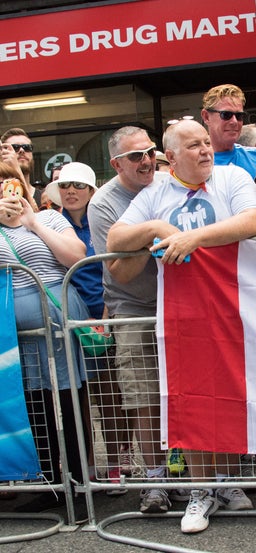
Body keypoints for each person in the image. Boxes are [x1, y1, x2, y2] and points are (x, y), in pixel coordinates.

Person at [106, 119, 256, 534]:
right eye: (193, 146)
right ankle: (199, 490)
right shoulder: (155, 192)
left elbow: (253, 220)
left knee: (230, 394)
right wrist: (157, 227)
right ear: (171, 157)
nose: (205, 150)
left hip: (235, 304)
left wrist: (195, 239)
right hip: (182, 312)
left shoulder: (232, 176)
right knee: (189, 399)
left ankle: (226, 483)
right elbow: (115, 239)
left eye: (205, 143)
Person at [87, 127, 172, 514]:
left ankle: (200, 477)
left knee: (189, 390)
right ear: (116, 164)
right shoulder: (104, 203)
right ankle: (154, 482)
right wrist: (153, 232)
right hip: (134, 306)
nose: (147, 161)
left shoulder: (170, 182)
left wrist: (136, 239)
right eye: (136, 156)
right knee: (143, 397)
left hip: (182, 300)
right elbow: (119, 272)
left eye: (150, 152)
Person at [0, 163, 90, 517]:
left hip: (56, 322)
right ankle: (51, 484)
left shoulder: (50, 219)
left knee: (68, 401)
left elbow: (76, 257)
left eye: (11, 182)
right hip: (12, 335)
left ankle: (80, 485)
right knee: (34, 405)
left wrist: (33, 223)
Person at [46, 162, 131, 493]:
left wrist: (107, 314)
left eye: (78, 186)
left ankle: (118, 462)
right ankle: (90, 466)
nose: (70, 191)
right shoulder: (54, 224)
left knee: (113, 395)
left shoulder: (102, 221)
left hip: (109, 316)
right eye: (65, 185)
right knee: (82, 395)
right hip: (71, 321)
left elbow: (111, 271)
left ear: (92, 191)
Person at [200, 84, 256, 177]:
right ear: (206, 117)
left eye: (239, 116)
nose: (234, 121)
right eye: (226, 115)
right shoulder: (192, 165)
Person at [1, 128, 40, 207]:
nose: (22, 150)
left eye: (27, 147)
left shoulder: (45, 196)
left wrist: (17, 170)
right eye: (15, 147)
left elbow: (37, 217)